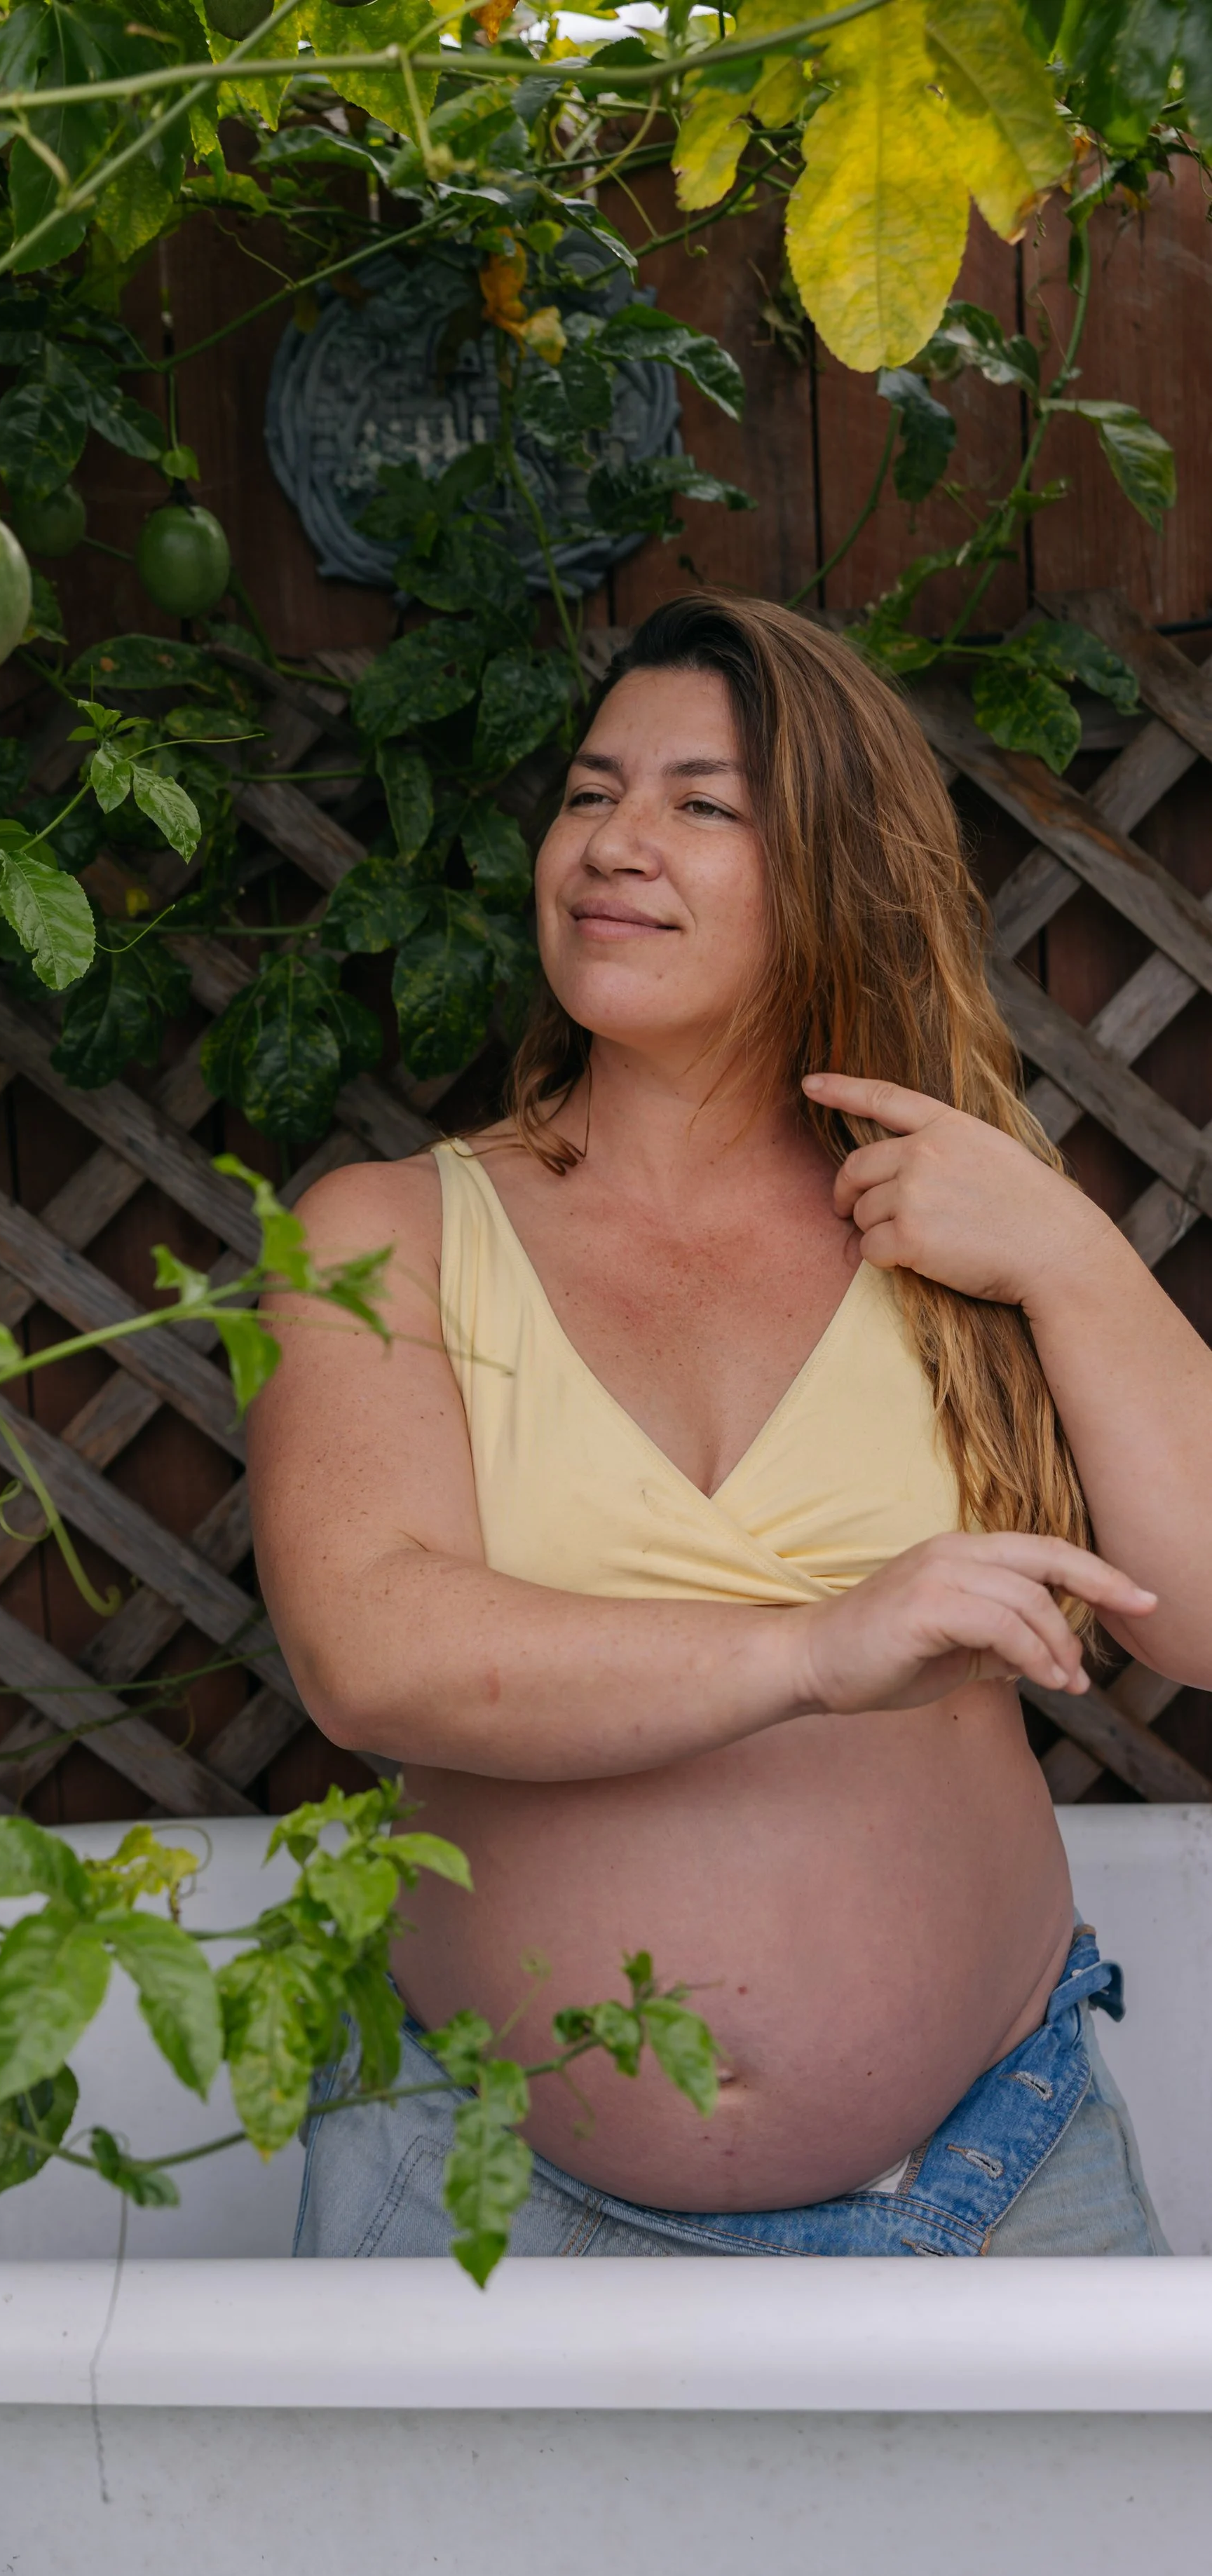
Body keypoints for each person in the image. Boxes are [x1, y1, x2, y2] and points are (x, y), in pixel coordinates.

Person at [247, 591, 1212, 2260]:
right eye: (588, 791)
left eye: (701, 804)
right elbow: (370, 1650)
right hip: (484, 2197)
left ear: (834, 869)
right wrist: (813, 1650)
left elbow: (1198, 1616)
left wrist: (1067, 1251)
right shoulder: (385, 1231)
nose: (616, 841)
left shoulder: (958, 1227)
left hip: (992, 2177)